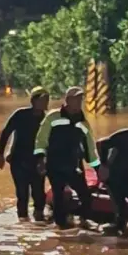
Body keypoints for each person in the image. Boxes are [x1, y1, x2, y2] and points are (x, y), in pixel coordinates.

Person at [34, 86, 103, 230]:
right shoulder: (53, 117)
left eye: (80, 99)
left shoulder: (83, 122)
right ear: (68, 100)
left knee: (85, 195)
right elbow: (41, 139)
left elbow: (90, 147)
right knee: (59, 195)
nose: (79, 102)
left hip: (73, 165)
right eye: (76, 99)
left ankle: (84, 220)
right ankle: (61, 227)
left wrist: (97, 168)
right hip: (54, 164)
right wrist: (40, 159)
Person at [0, 86, 49, 221]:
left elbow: (51, 142)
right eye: (42, 100)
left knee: (39, 195)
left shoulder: (47, 120)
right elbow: (6, 133)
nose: (45, 103)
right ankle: (23, 222)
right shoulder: (20, 115)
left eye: (47, 100)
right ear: (33, 101)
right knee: (22, 194)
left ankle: (39, 222)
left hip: (37, 162)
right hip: (18, 160)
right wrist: (0, 155)